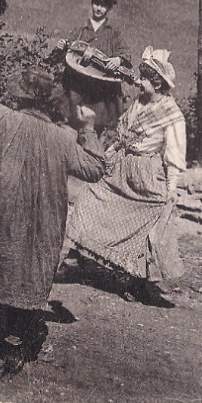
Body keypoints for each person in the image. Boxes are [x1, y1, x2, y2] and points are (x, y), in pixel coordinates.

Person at [0, 32, 105, 373]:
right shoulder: (61, 139)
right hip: (36, 231)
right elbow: (95, 168)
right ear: (48, 102)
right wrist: (89, 127)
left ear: (17, 95)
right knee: (28, 271)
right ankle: (15, 344)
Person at [66, 47, 186, 306]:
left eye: (144, 79)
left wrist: (172, 189)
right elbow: (124, 134)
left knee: (145, 227)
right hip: (120, 167)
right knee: (90, 198)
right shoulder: (140, 103)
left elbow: (175, 156)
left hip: (145, 177)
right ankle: (78, 254)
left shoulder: (172, 115)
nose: (138, 83)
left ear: (157, 82)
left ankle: (138, 282)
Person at [58, 0, 129, 137]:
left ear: (109, 9)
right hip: (79, 87)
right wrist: (62, 46)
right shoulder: (81, 30)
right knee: (74, 126)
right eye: (96, 3)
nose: (98, 8)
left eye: (103, 6)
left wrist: (118, 59)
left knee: (98, 128)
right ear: (92, 4)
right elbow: (69, 51)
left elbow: (126, 54)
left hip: (101, 92)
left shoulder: (113, 33)